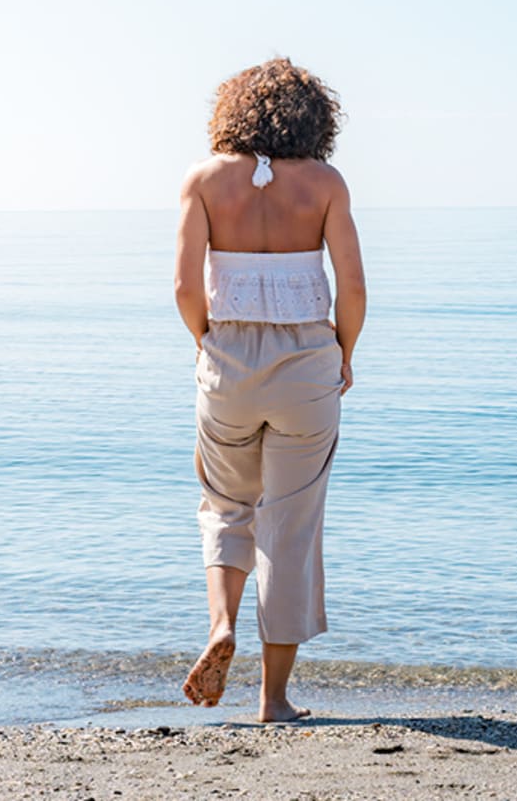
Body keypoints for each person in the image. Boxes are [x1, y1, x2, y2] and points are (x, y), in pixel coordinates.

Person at [173, 57, 366, 722]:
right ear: (314, 118)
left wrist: (207, 342)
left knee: (227, 504)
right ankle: (273, 699)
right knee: (290, 525)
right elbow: (355, 287)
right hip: (306, 363)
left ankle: (221, 625)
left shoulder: (203, 181)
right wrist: (345, 352)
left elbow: (182, 287)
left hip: (228, 360)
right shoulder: (324, 183)